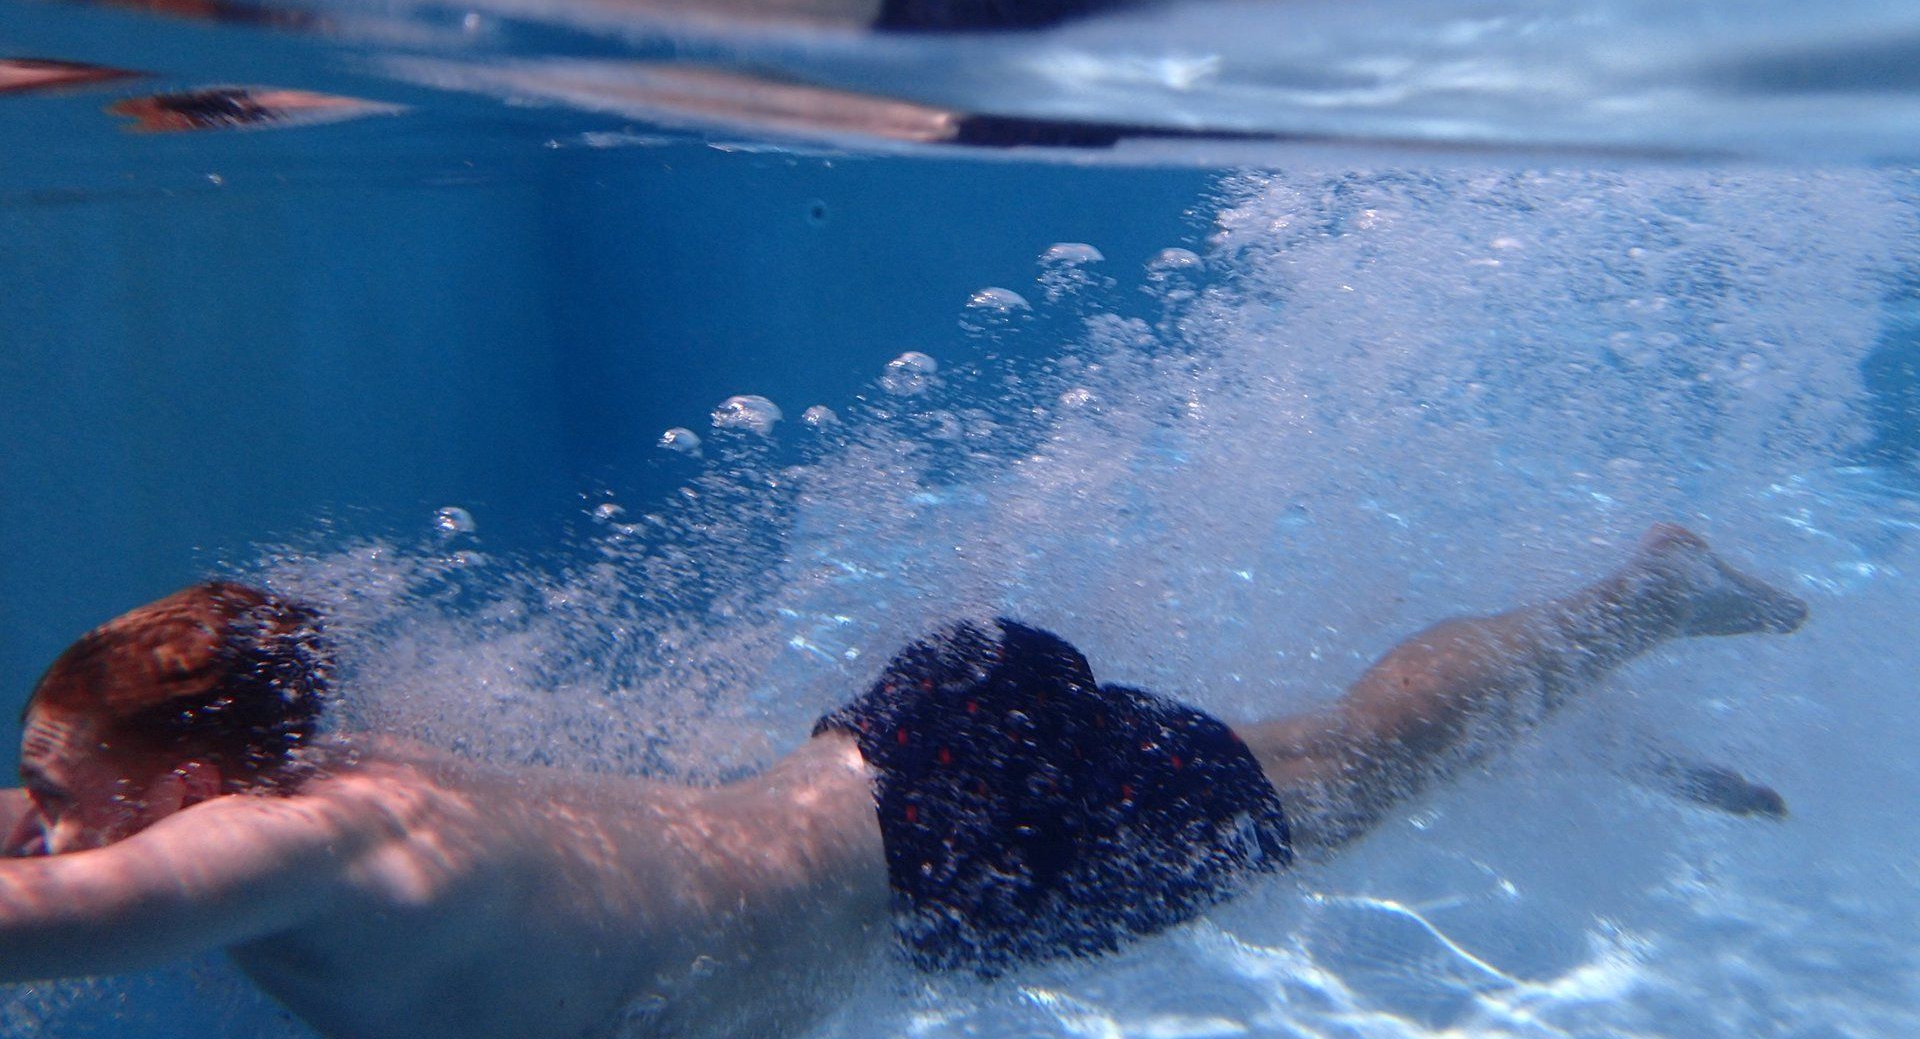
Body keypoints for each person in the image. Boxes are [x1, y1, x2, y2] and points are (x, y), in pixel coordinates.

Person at [0, 524, 1806, 1039]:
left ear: (194, 786)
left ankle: (1629, 610)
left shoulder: (280, 850)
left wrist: (56, 855)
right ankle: (1578, 710)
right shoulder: (339, 784)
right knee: (1321, 760)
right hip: (910, 764)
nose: (37, 827)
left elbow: (43, 927)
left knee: (1345, 775)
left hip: (948, 838)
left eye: (56, 793)